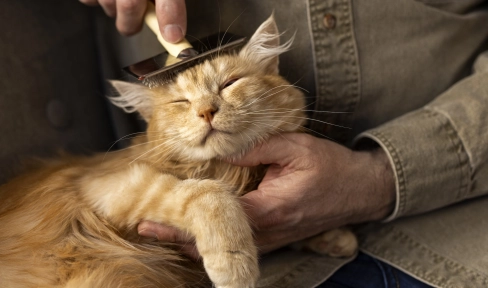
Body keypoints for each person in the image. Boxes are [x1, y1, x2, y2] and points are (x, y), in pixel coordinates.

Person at [83, 1, 488, 287]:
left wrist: (380, 175)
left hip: (450, 226)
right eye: (182, 103)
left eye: (229, 85)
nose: (206, 110)